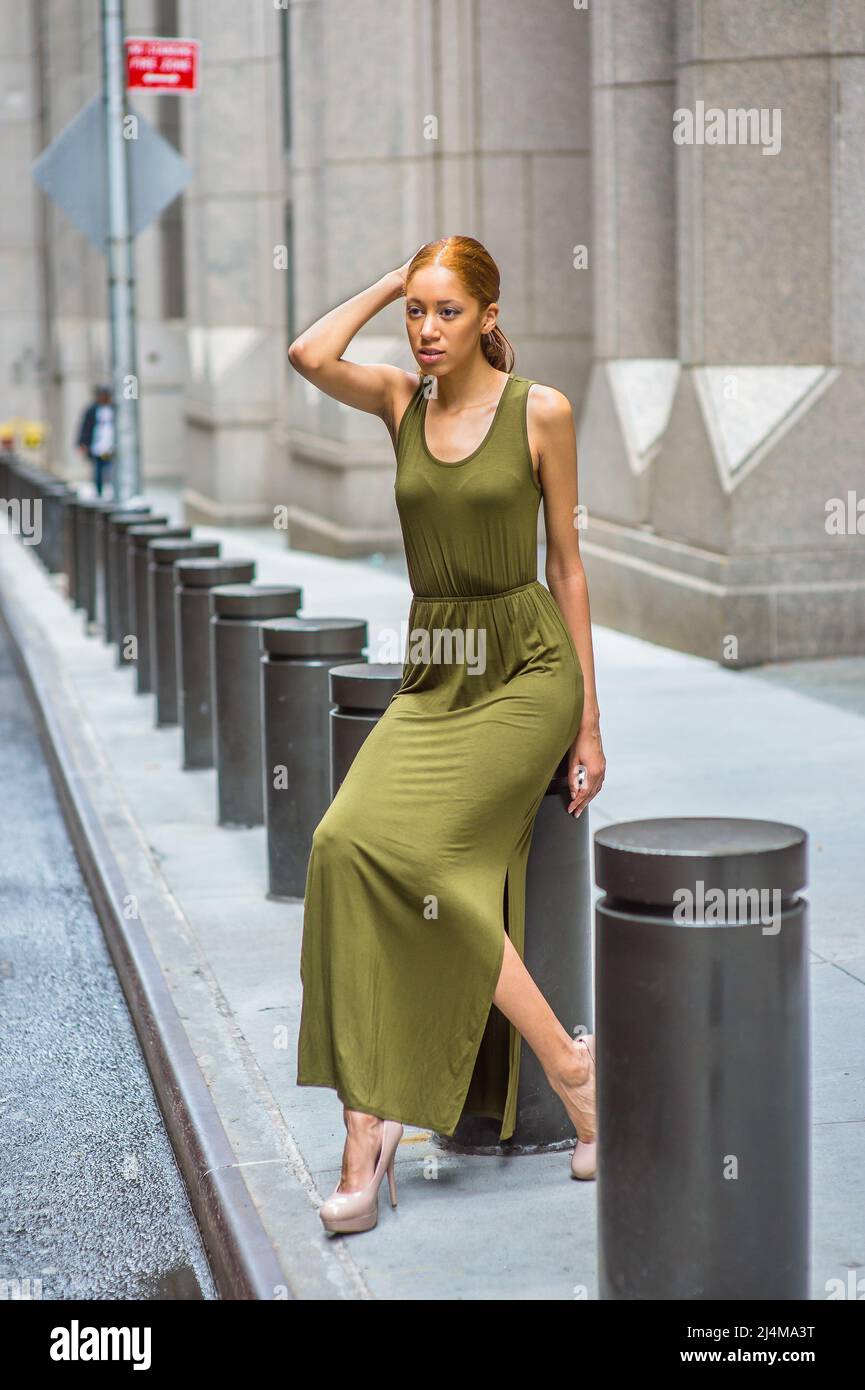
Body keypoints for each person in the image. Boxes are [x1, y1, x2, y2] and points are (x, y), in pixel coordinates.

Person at [288, 235, 606, 1236]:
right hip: (434, 672)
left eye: (446, 312)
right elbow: (306, 353)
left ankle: (566, 1069)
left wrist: (588, 720)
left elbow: (568, 566)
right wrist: (389, 276)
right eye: (414, 313)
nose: (425, 332)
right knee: (343, 844)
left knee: (426, 857)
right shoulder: (397, 401)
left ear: (488, 317)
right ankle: (366, 1126)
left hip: (525, 671)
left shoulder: (538, 412)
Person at [75, 385, 115, 496]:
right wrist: (82, 443)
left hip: (111, 447)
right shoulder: (92, 410)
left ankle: (112, 492)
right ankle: (99, 492)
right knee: (98, 471)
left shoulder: (114, 409)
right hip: (97, 447)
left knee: (111, 470)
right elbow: (85, 427)